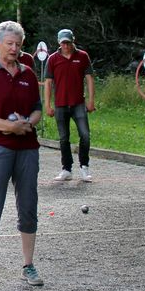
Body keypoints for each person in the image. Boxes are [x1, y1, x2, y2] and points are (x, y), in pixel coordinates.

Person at [0, 21, 44, 288]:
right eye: (9, 43)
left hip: (27, 146)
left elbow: (37, 107)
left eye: (18, 44)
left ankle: (28, 265)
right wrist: (8, 127)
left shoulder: (27, 72)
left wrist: (29, 123)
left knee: (28, 204)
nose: (14, 48)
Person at [44, 29, 96, 182]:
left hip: (78, 103)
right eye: (63, 43)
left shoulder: (82, 56)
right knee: (63, 138)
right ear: (59, 43)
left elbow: (89, 79)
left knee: (85, 135)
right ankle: (66, 169)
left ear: (73, 41)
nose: (66, 46)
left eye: (68, 42)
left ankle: (84, 167)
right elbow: (48, 83)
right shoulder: (53, 59)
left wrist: (91, 100)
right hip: (60, 103)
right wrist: (47, 104)